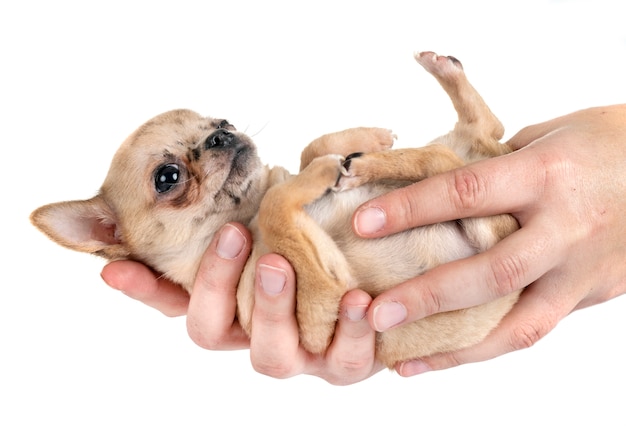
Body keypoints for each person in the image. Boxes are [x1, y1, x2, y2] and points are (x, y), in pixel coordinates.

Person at [101, 104, 626, 385]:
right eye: (170, 177)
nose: (218, 144)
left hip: (487, 230)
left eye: (220, 128)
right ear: (113, 234)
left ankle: (471, 124)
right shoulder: (256, 284)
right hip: (468, 275)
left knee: (458, 166)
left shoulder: (286, 193)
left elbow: (313, 191)